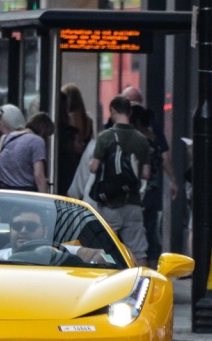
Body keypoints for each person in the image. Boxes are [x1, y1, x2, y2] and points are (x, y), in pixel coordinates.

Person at [87, 94, 151, 267]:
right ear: (129, 112)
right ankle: (142, 286)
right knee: (138, 250)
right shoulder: (142, 139)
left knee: (102, 247)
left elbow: (93, 167)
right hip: (133, 202)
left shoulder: (105, 137)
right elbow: (146, 173)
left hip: (109, 203)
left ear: (113, 111)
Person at [123, 87, 178, 265]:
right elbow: (164, 155)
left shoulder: (125, 135)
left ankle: (131, 263)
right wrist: (173, 181)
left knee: (133, 229)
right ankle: (150, 264)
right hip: (149, 190)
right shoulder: (152, 135)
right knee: (149, 228)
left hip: (131, 192)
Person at [0, 203, 106, 263]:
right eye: (17, 226)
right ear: (10, 231)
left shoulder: (60, 252)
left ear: (45, 231)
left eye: (31, 226)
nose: (23, 231)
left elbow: (106, 256)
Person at [0, 104, 47, 192]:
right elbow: (39, 175)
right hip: (27, 194)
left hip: (4, 193)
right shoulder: (37, 141)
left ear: (7, 123)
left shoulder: (4, 139)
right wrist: (45, 200)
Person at [58, 83, 94, 201]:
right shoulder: (88, 119)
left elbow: (74, 141)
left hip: (71, 158)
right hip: (82, 157)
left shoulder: (70, 118)